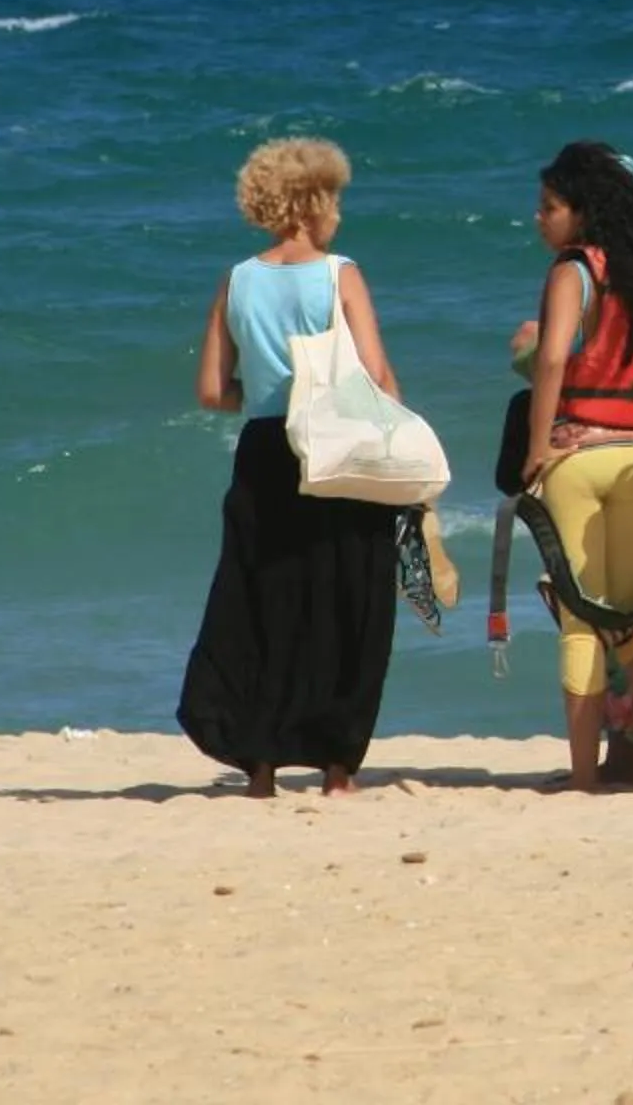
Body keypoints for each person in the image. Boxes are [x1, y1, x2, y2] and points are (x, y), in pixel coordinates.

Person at [179, 137, 402, 799]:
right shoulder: (341, 274)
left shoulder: (237, 279)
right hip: (334, 445)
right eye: (333, 200)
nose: (337, 214)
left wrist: (269, 395)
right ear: (312, 204)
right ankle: (337, 770)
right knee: (348, 598)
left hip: (265, 452)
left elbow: (213, 391)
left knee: (262, 600)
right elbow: (375, 372)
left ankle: (261, 767)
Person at [517, 141, 633, 794]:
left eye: (550, 207)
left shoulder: (575, 271)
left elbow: (551, 362)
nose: (539, 219)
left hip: (580, 454)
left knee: (581, 622)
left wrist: (537, 448)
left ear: (584, 212)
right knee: (632, 621)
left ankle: (582, 777)